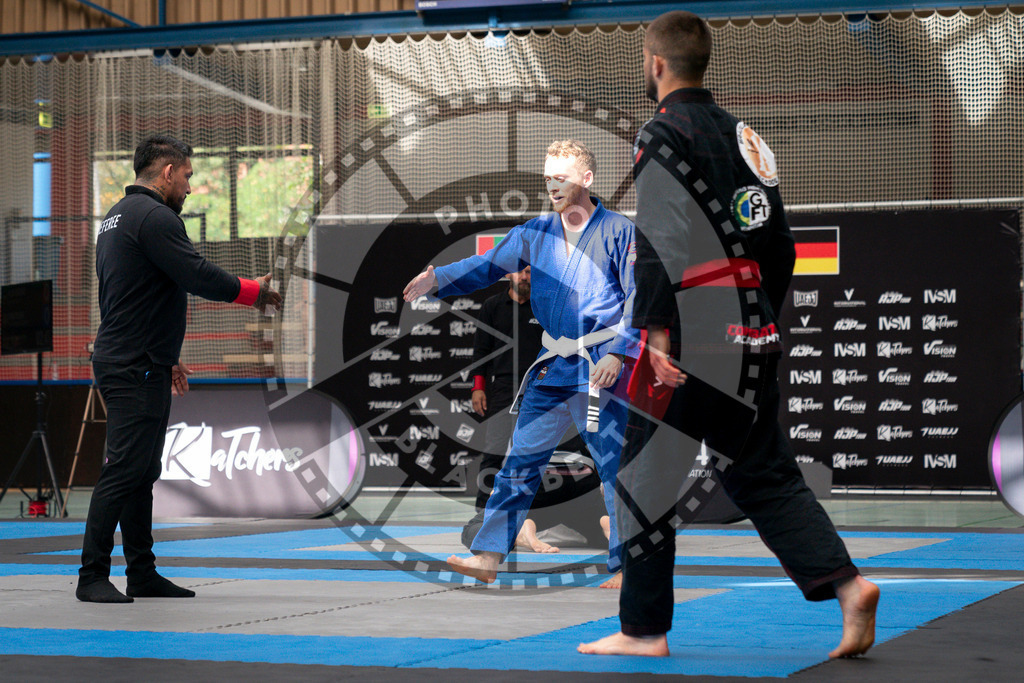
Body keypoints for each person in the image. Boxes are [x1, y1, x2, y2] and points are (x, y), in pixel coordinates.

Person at [579, 11, 879, 659]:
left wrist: (656, 331)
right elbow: (781, 244)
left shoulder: (662, 132)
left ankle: (643, 629)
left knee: (641, 475)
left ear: (656, 64)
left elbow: (662, 235)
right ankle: (847, 584)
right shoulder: (748, 138)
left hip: (683, 333)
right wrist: (756, 315)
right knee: (762, 470)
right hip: (747, 328)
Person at [404, 139, 638, 583]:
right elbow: (487, 265)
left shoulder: (619, 233)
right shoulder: (535, 233)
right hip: (553, 370)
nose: (551, 184)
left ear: (586, 180)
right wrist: (439, 277)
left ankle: (628, 565)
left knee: (614, 466)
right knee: (518, 462)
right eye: (546, 175)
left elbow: (639, 301)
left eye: (561, 176)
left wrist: (617, 354)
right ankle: (488, 557)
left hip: (597, 370)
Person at [77, 135, 282, 603]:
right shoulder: (156, 217)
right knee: (125, 468)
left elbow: (130, 297)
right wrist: (253, 291)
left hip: (133, 356)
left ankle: (142, 574)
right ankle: (91, 576)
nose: (190, 188)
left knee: (142, 469)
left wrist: (166, 354)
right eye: (187, 176)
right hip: (133, 364)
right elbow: (195, 273)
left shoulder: (114, 218)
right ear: (167, 172)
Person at [468, 266, 544, 512]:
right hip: (502, 387)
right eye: (519, 272)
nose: (524, 276)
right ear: (508, 275)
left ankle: (534, 512)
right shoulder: (492, 306)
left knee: (535, 453)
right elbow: (481, 350)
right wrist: (478, 387)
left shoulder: (544, 306)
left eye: (530, 272)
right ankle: (483, 509)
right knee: (494, 451)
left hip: (539, 388)